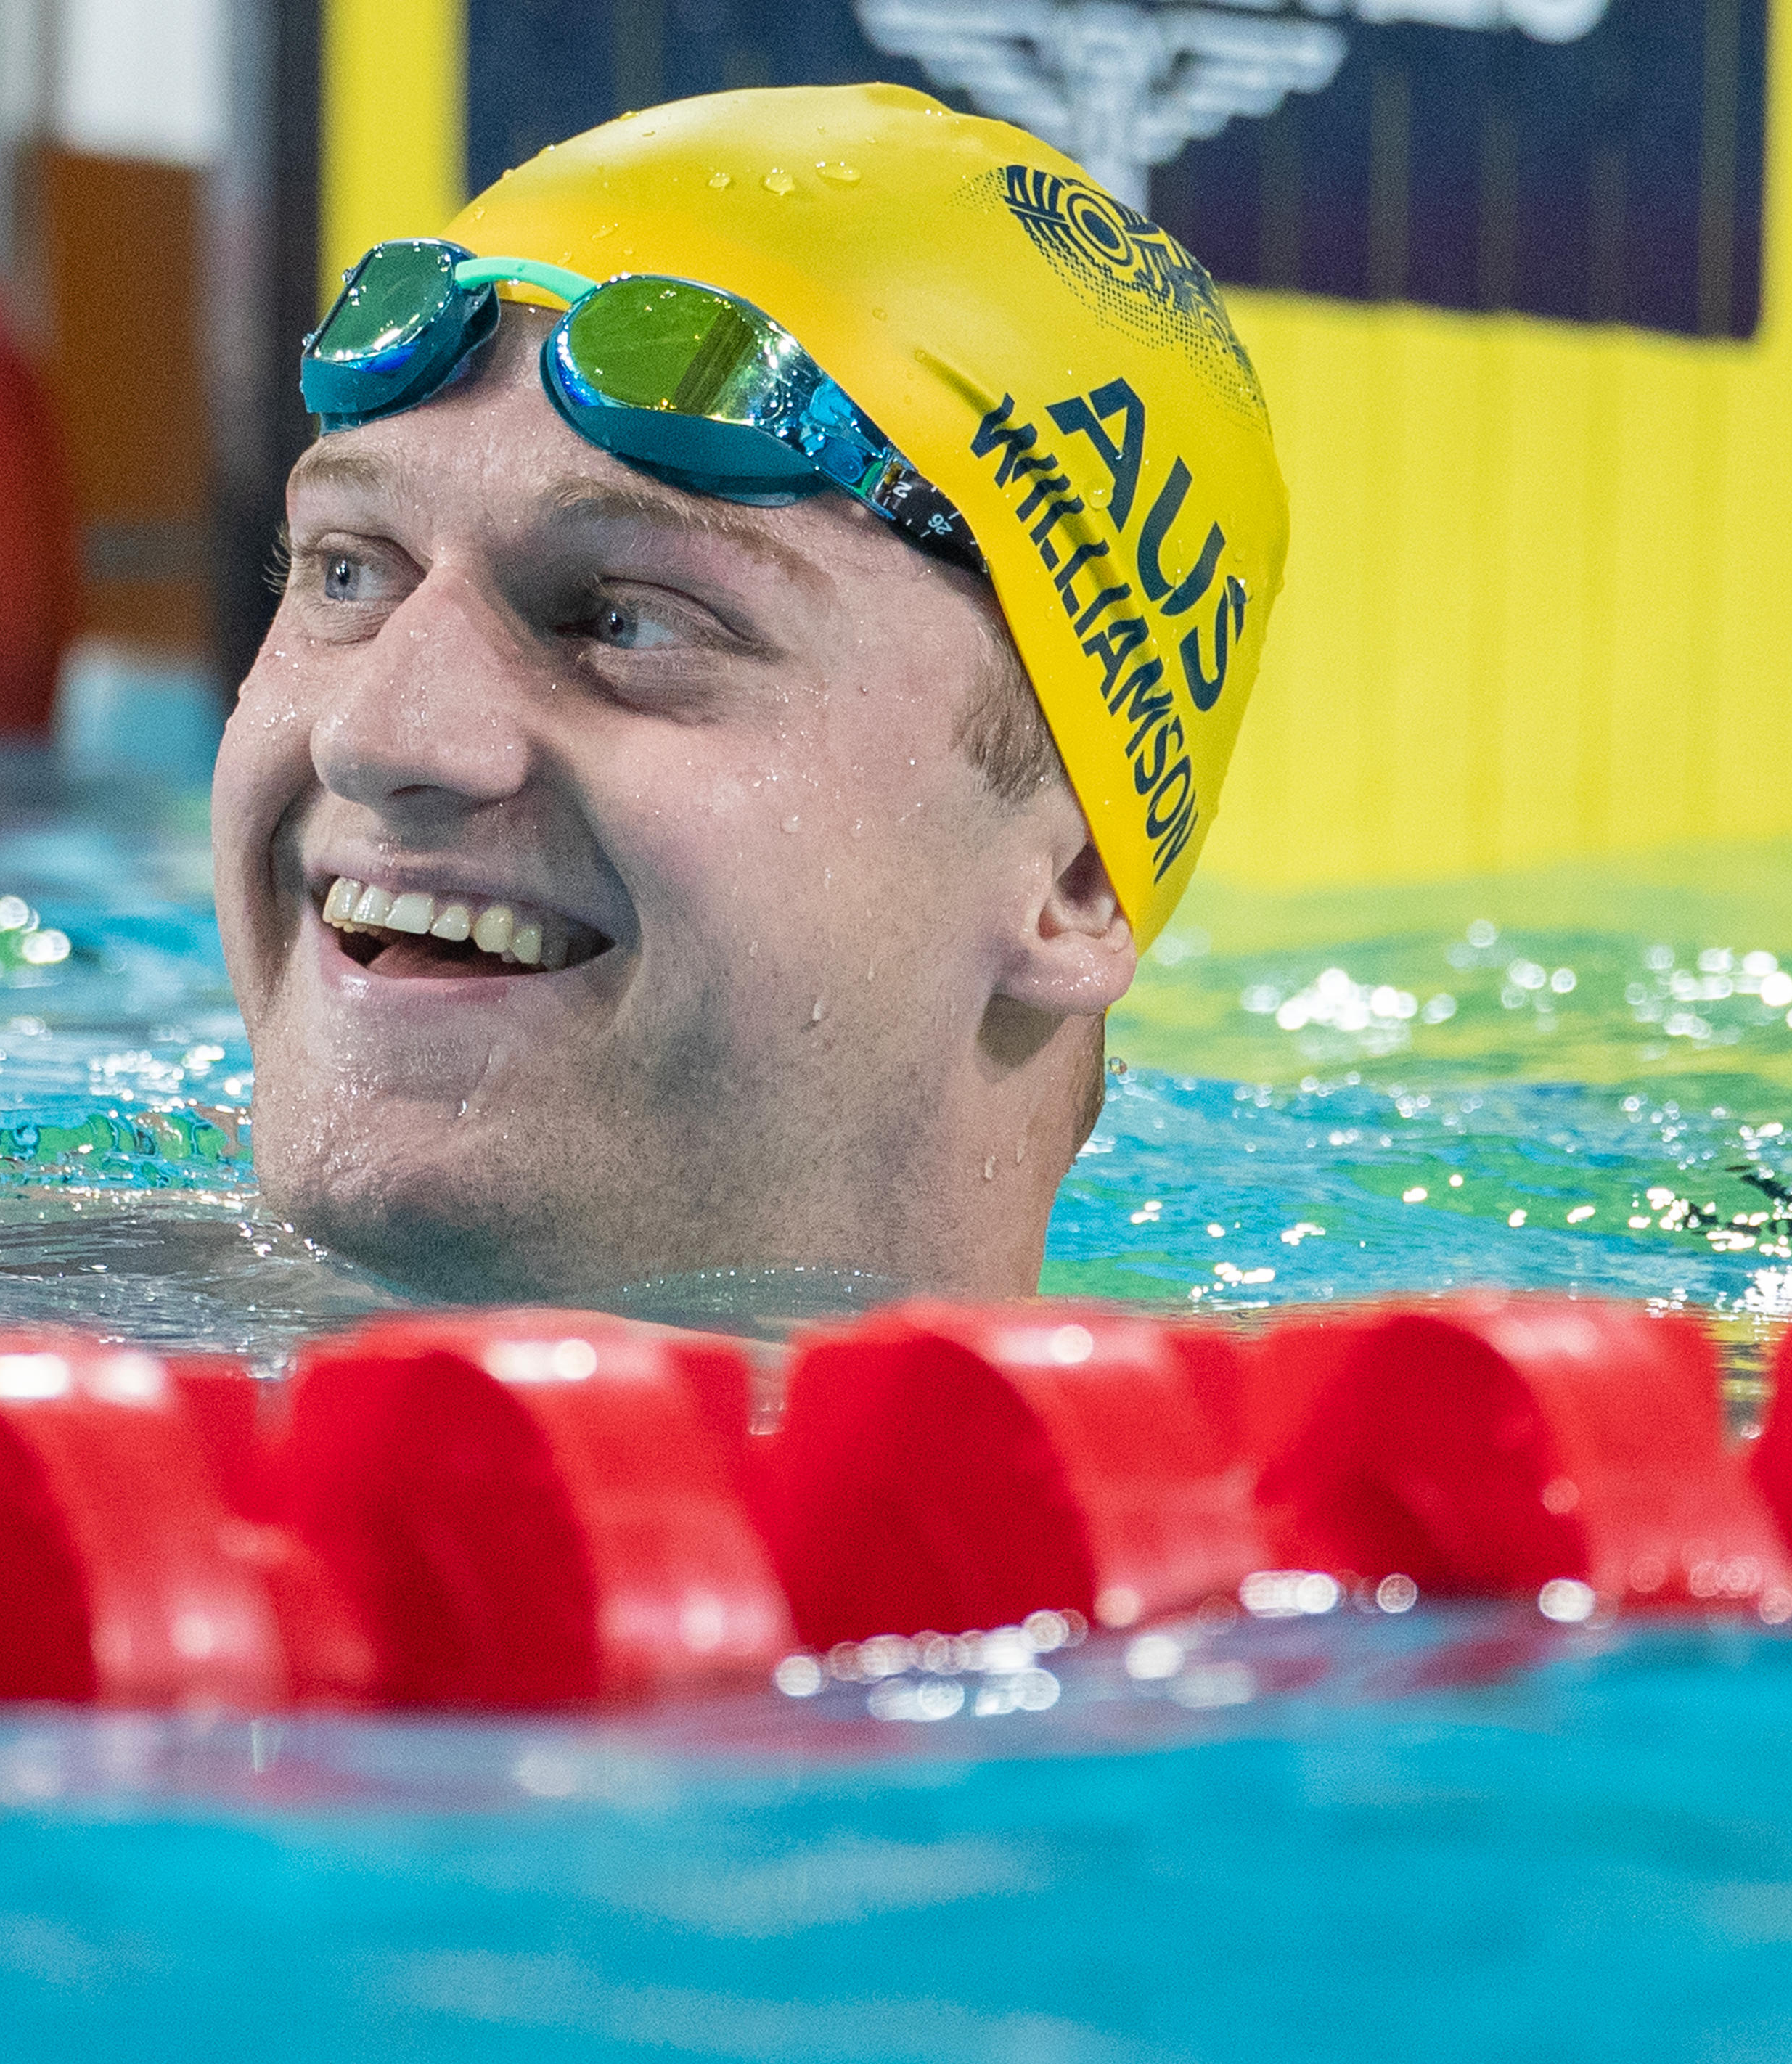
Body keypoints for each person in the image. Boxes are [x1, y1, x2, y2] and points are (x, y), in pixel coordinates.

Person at [212, 82, 1288, 1303]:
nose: (377, 733)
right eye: (349, 572)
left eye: (630, 620)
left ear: (1078, 874)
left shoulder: (1393, 1459)